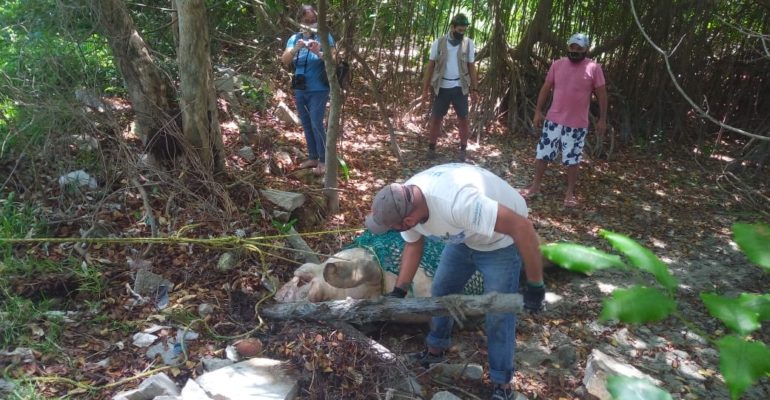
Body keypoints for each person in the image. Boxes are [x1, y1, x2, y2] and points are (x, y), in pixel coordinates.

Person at [364, 163, 545, 400]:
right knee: (442, 292)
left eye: (392, 227)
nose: (392, 230)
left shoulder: (458, 203)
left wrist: (535, 286)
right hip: (463, 240)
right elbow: (413, 244)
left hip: (500, 242)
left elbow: (522, 227)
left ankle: (502, 384)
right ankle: (435, 350)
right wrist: (399, 290)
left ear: (408, 220)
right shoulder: (405, 198)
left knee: (498, 312)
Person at [522, 33, 608, 208]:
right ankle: (535, 186)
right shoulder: (557, 64)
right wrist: (538, 111)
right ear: (568, 47)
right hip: (554, 119)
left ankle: (570, 193)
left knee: (573, 158)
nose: (575, 51)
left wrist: (602, 119)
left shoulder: (593, 68)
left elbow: (602, 94)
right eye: (572, 47)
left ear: (586, 49)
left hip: (577, 124)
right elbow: (546, 88)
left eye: (579, 48)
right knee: (543, 153)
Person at [281, 5, 335, 176]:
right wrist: (296, 48)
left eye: (313, 21)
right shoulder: (294, 38)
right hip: (300, 88)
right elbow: (285, 60)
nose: (310, 25)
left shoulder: (324, 37)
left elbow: (334, 60)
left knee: (316, 122)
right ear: (300, 21)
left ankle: (323, 160)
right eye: (306, 21)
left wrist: (319, 52)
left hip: (319, 88)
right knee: (305, 123)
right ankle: (312, 156)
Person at [421, 13, 480, 162]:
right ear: (452, 27)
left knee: (463, 118)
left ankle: (463, 149)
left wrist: (475, 89)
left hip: (460, 86)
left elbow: (471, 66)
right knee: (436, 118)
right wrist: (425, 89)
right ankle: (431, 148)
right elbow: (431, 66)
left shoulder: (468, 43)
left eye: (464, 30)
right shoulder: (439, 43)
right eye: (459, 30)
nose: (462, 33)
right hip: (442, 86)